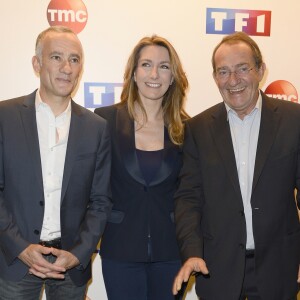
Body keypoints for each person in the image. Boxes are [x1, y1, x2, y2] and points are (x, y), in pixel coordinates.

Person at [173, 31, 300, 300]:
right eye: (223, 72)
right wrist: (192, 252)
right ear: (215, 77)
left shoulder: (294, 121)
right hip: (217, 268)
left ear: (261, 70)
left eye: (243, 69)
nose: (233, 81)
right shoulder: (197, 129)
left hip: (278, 266)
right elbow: (188, 198)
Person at [0, 26, 112, 300]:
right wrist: (20, 247)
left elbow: (101, 201)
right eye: (56, 57)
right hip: (15, 262)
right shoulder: (5, 117)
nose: (66, 67)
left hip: (69, 266)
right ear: (37, 63)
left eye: (74, 59)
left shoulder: (97, 127)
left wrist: (78, 254)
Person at [94, 35, 189, 300]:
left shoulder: (187, 128)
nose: (154, 74)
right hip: (120, 251)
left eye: (164, 66)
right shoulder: (105, 120)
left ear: (173, 77)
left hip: (171, 254)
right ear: (134, 73)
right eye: (146, 64)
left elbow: (192, 195)